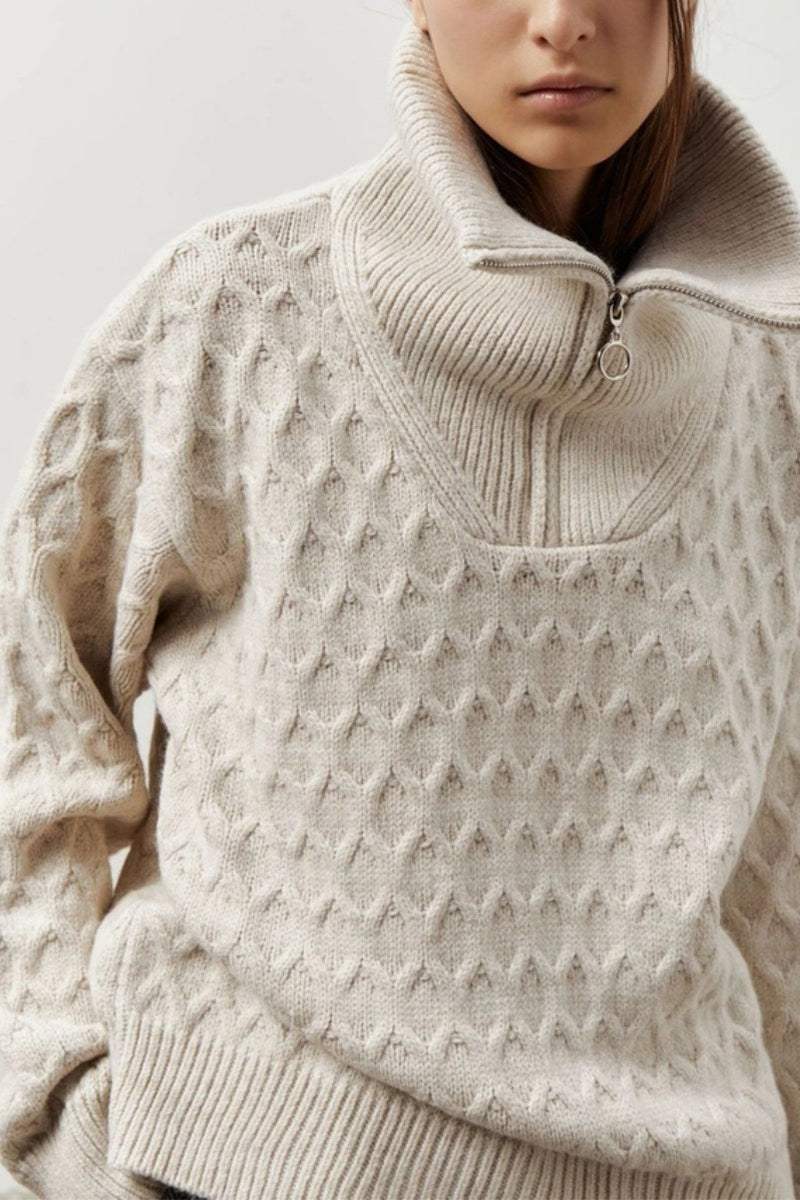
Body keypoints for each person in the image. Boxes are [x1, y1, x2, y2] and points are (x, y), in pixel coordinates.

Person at [0, 0, 799, 1196]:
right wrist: (49, 1092)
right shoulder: (236, 313)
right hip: (236, 1164)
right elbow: (33, 701)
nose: (563, 20)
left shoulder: (774, 377)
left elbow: (777, 848)